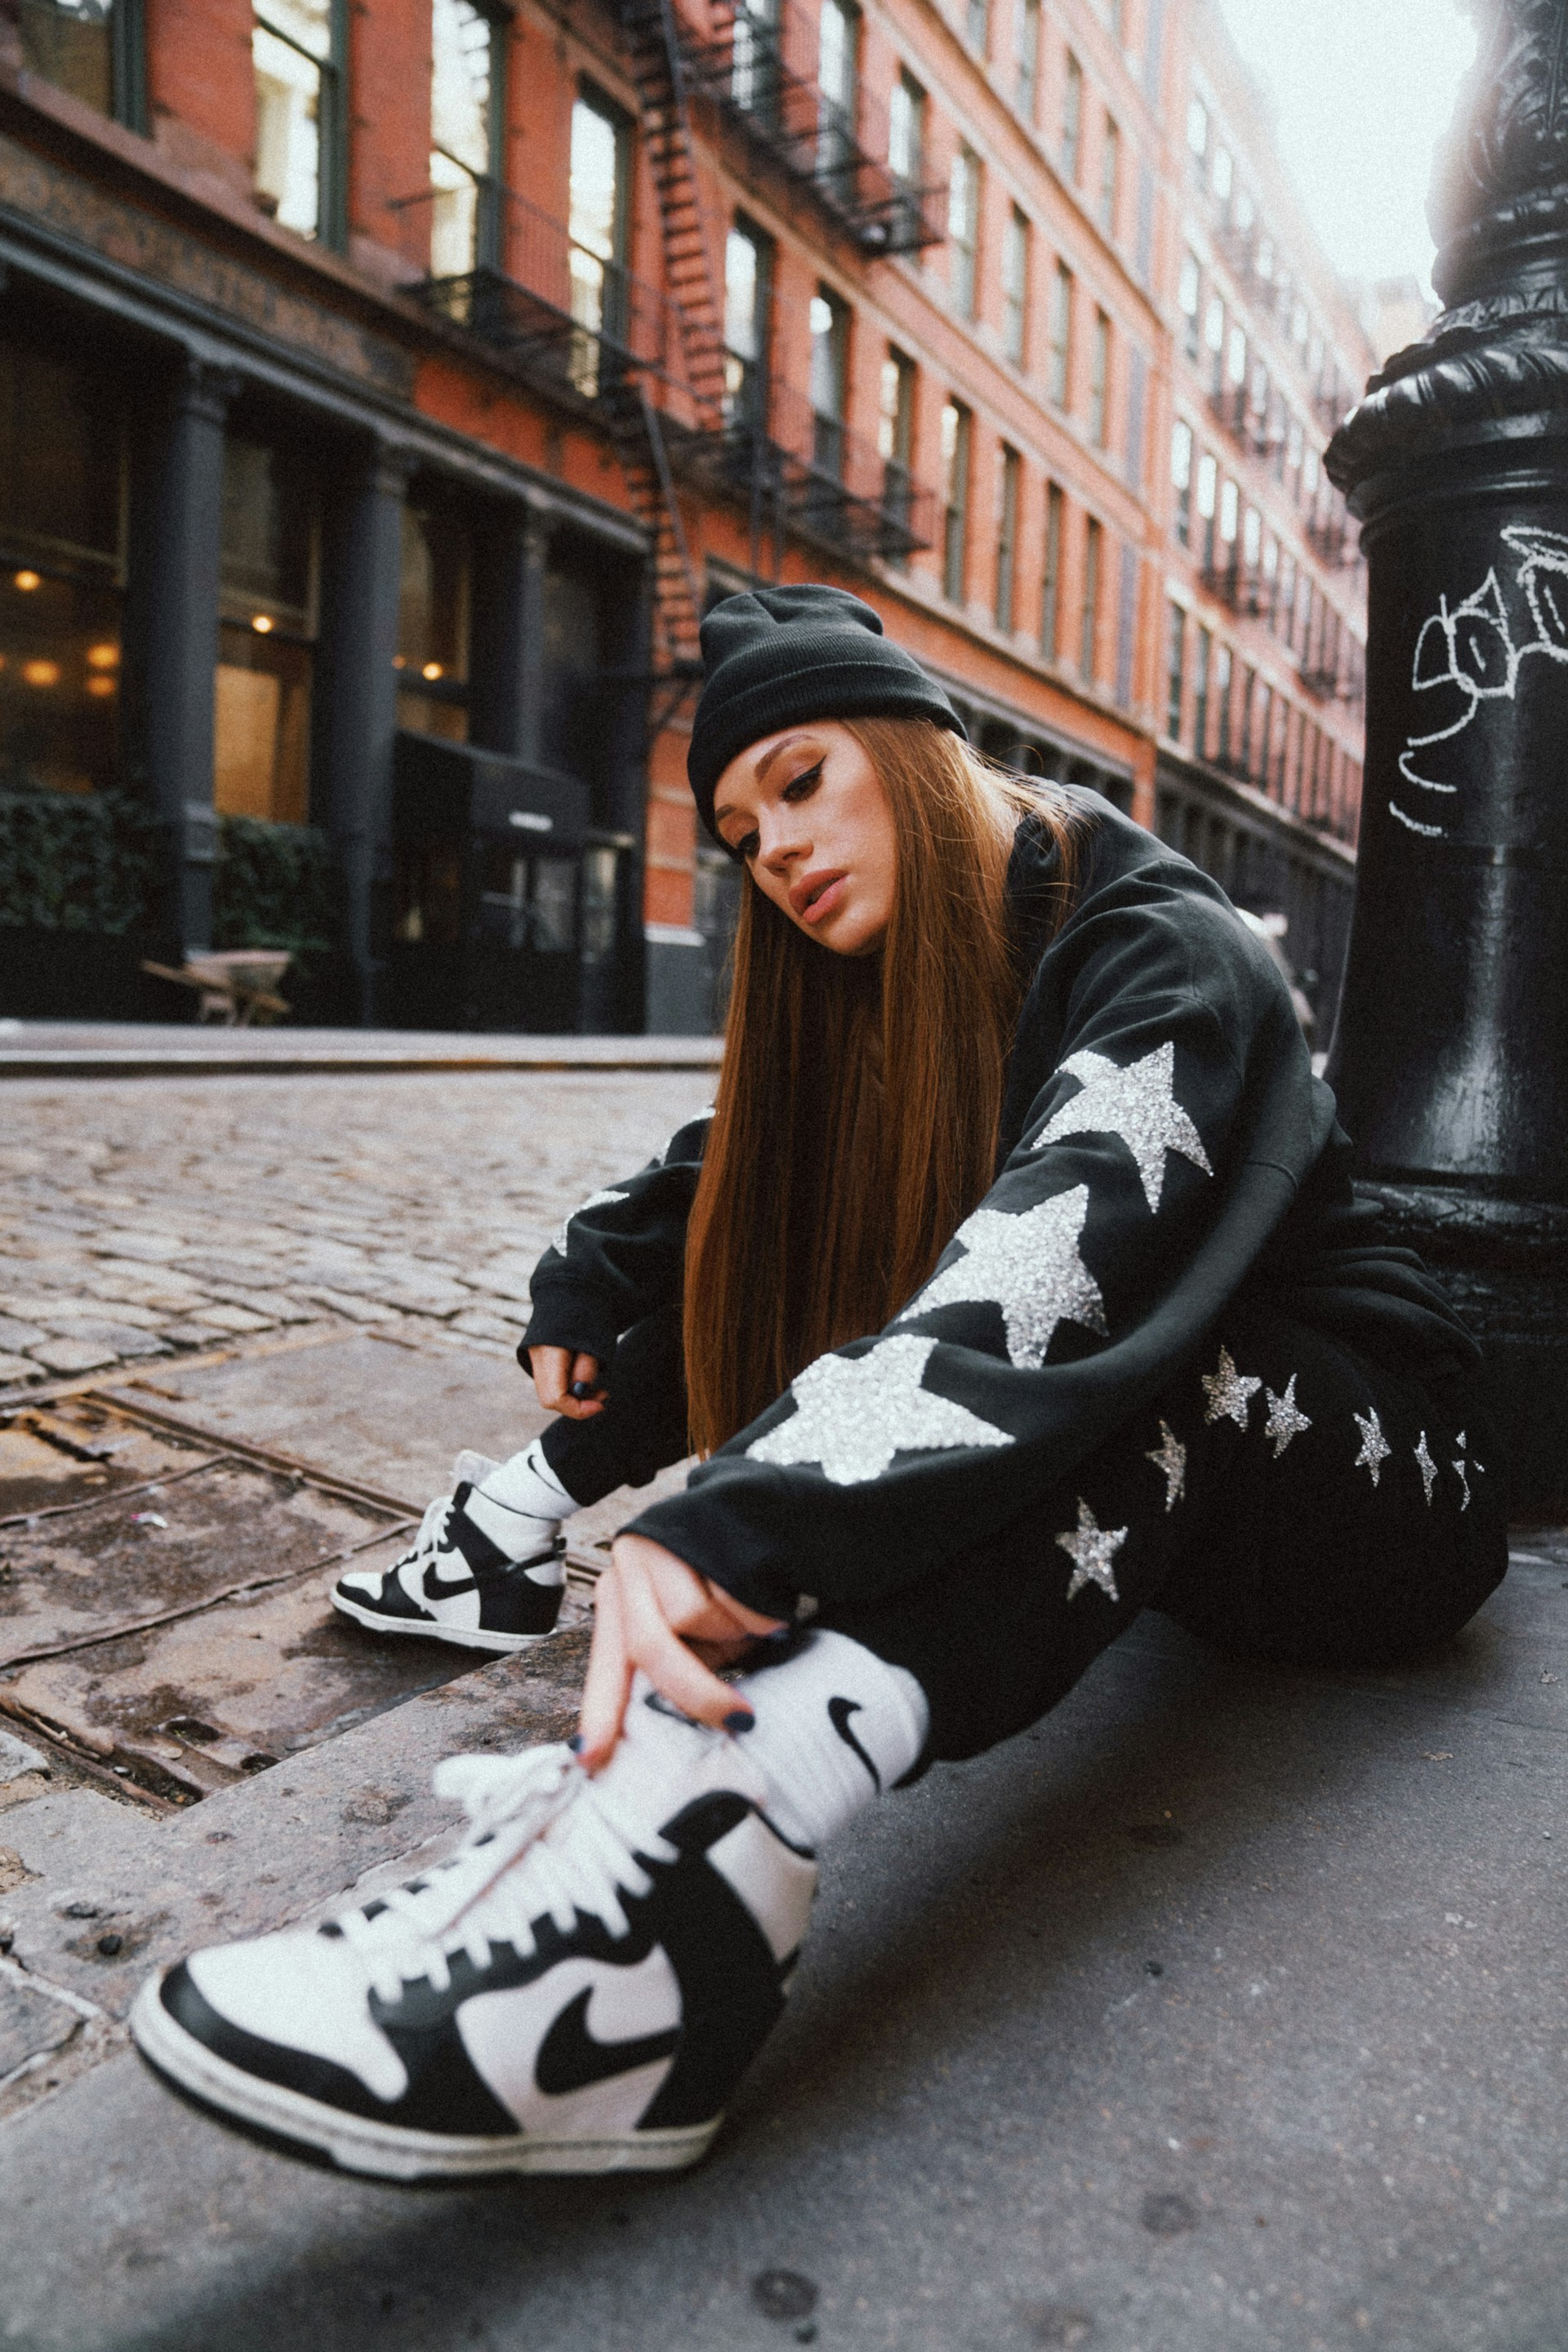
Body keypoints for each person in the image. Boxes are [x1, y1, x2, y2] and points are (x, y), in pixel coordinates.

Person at [131, 585, 1507, 2180]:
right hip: (1188, 1519)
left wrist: (746, 1519)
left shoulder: (1165, 951)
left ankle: (680, 1884)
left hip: (1391, 1487)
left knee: (1138, 1351)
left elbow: (1050, 1272)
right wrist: (597, 1272)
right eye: (736, 829)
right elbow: (745, 1167)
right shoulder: (916, 970)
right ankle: (533, 1577)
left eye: (801, 780)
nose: (772, 846)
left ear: (911, 750)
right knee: (850, 1232)